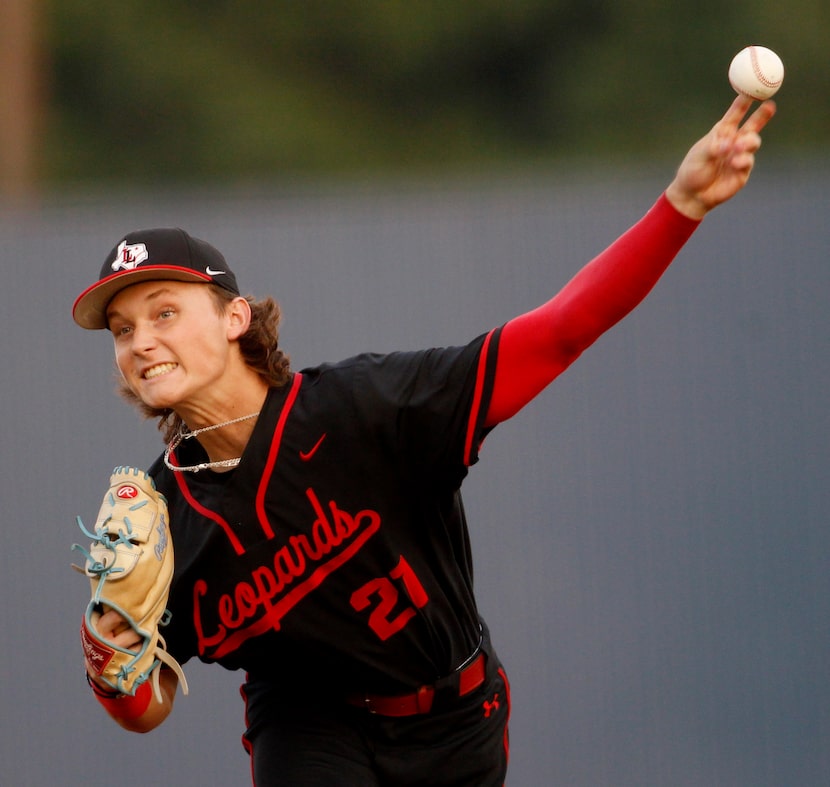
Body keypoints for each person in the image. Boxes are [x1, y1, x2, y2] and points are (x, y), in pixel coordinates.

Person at [72, 96, 776, 786]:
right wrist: (113, 644)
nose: (142, 340)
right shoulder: (160, 515)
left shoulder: (361, 412)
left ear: (234, 318)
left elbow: (560, 331)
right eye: (124, 328)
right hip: (307, 728)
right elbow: (147, 705)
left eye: (165, 311)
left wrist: (680, 207)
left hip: (454, 714)